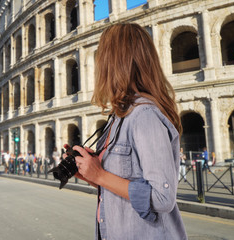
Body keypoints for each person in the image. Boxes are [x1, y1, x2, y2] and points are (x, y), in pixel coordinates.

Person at [69, 24, 187, 239]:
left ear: (114, 63)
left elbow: (162, 197)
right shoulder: (119, 117)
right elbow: (124, 185)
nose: (98, 65)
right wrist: (90, 174)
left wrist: (101, 175)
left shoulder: (144, 117)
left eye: (101, 56)